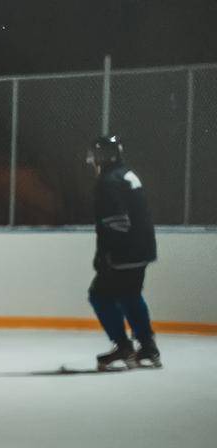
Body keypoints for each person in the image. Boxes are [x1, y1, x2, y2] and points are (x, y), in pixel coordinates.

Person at [87, 135, 159, 371]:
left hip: (123, 252)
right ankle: (148, 347)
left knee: (99, 295)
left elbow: (118, 221)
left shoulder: (108, 181)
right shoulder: (127, 174)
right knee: (130, 295)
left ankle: (123, 346)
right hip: (143, 248)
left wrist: (105, 254)